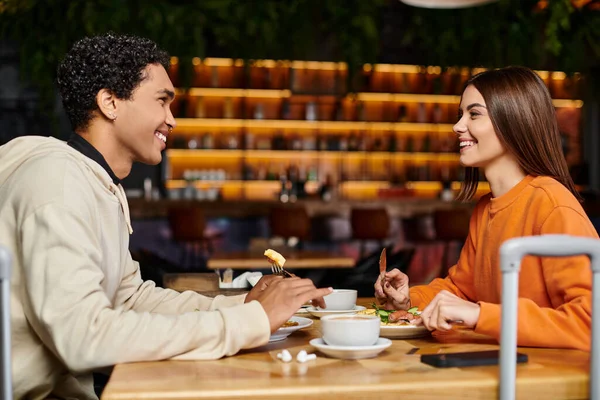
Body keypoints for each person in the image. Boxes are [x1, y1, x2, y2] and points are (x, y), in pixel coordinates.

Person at [0, 33, 332, 400]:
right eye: (162, 102)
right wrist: (248, 322)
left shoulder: (97, 183)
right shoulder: (58, 185)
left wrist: (244, 305)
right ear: (110, 102)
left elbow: (129, 298)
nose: (171, 120)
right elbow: (84, 337)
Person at [375, 66, 596, 352]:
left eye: (474, 114)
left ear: (513, 122)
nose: (457, 126)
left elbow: (591, 323)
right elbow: (461, 290)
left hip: (547, 381)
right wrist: (410, 299)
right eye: (460, 114)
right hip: (500, 367)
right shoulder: (485, 209)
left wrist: (480, 314)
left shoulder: (551, 204)